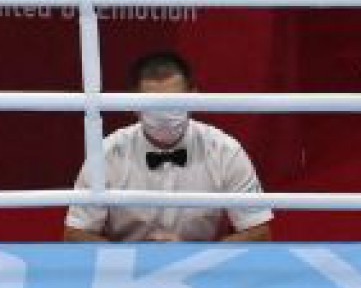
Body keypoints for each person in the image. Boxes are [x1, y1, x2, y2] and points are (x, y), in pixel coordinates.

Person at [63, 50, 271, 243]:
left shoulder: (225, 151)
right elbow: (75, 235)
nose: (164, 115)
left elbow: (259, 233)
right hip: (124, 265)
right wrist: (132, 256)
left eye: (173, 103)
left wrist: (194, 254)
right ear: (133, 103)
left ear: (194, 98)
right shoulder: (107, 153)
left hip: (201, 265)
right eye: (153, 105)